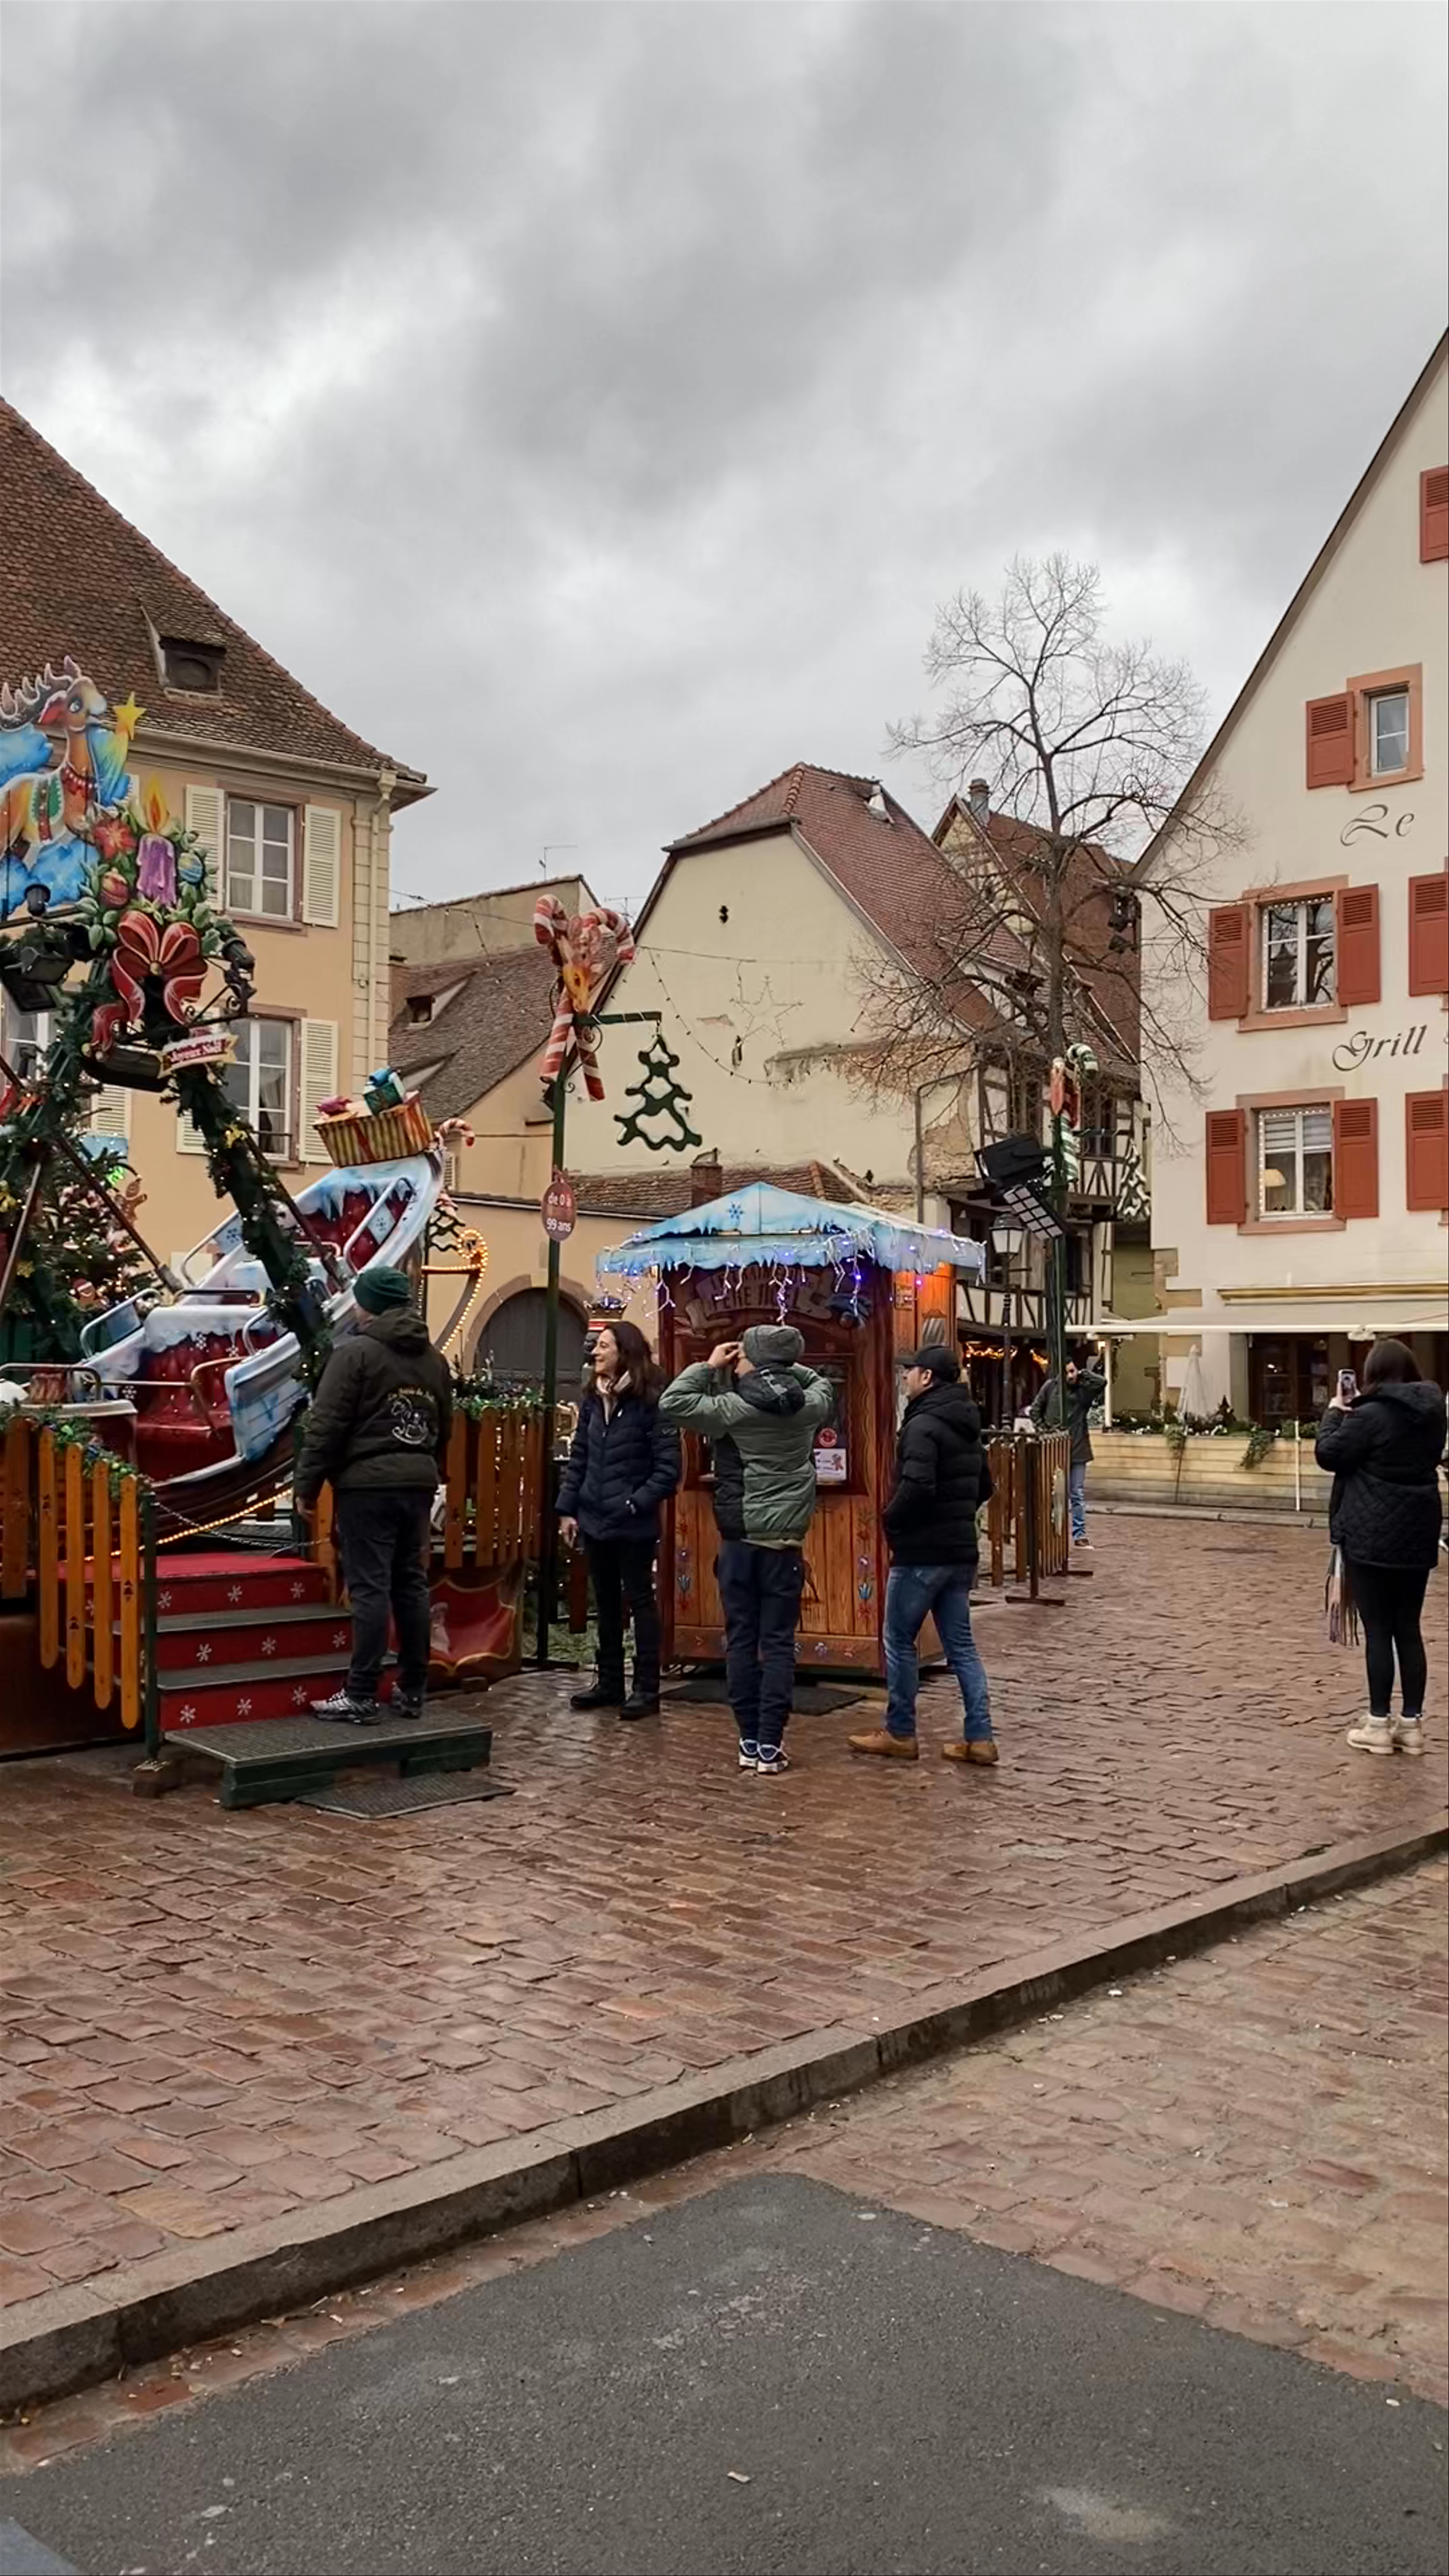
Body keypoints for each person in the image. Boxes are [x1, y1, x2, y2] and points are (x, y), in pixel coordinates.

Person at [660, 1324, 833, 1775]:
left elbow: (672, 1402)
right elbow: (821, 1383)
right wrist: (781, 1362)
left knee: (740, 1640)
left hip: (740, 1539)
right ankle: (772, 1745)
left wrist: (710, 1364)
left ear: (752, 1359)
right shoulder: (809, 1407)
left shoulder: (733, 1409)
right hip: (786, 1544)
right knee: (778, 1644)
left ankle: (748, 1738)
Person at [296, 1267, 453, 1724]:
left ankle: (360, 1692)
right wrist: (427, 1467)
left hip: (367, 1485)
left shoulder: (356, 1355)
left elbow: (326, 1425)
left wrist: (308, 1483)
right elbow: (444, 1423)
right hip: (417, 1483)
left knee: (370, 1588)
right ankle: (414, 1687)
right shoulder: (434, 1360)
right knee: (411, 1584)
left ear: (370, 1304)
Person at [849, 1346, 996, 1766]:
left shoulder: (922, 1424)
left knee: (898, 1639)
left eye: (909, 1371)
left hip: (921, 1551)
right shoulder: (967, 1420)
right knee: (962, 1647)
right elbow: (985, 1484)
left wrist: (890, 1520)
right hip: (959, 1550)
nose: (904, 1377)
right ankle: (980, 1737)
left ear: (927, 1377)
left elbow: (917, 1485)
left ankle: (900, 1731)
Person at [1315, 1339, 1445, 1758]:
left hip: (1371, 1533)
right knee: (1409, 1627)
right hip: (1418, 1530)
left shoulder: (1369, 1415)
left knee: (1379, 1630)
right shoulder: (1433, 1412)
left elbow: (1329, 1454)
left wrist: (1335, 1411)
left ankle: (1377, 1722)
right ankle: (1411, 1724)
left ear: (1370, 1372)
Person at [558, 1320, 680, 1719]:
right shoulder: (595, 1398)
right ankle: (609, 1681)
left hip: (632, 1522)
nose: (595, 1352)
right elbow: (580, 1457)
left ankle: (647, 1687)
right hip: (594, 1518)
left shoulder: (651, 1401)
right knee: (606, 1602)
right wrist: (567, 1508)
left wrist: (634, 1503)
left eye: (604, 1346)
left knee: (640, 1601)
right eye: (596, 1346)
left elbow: (667, 1468)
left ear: (624, 1352)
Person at [1031, 1344, 1106, 1547]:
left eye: (1074, 1371)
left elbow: (1102, 1382)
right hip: (1054, 1448)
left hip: (1078, 1450)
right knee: (1053, 1493)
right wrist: (1046, 1431)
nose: (1072, 1376)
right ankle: (1052, 1534)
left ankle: (1079, 1534)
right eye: (1069, 1372)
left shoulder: (1083, 1391)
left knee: (1077, 1493)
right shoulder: (1050, 1388)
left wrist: (1082, 1373)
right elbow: (1035, 1411)